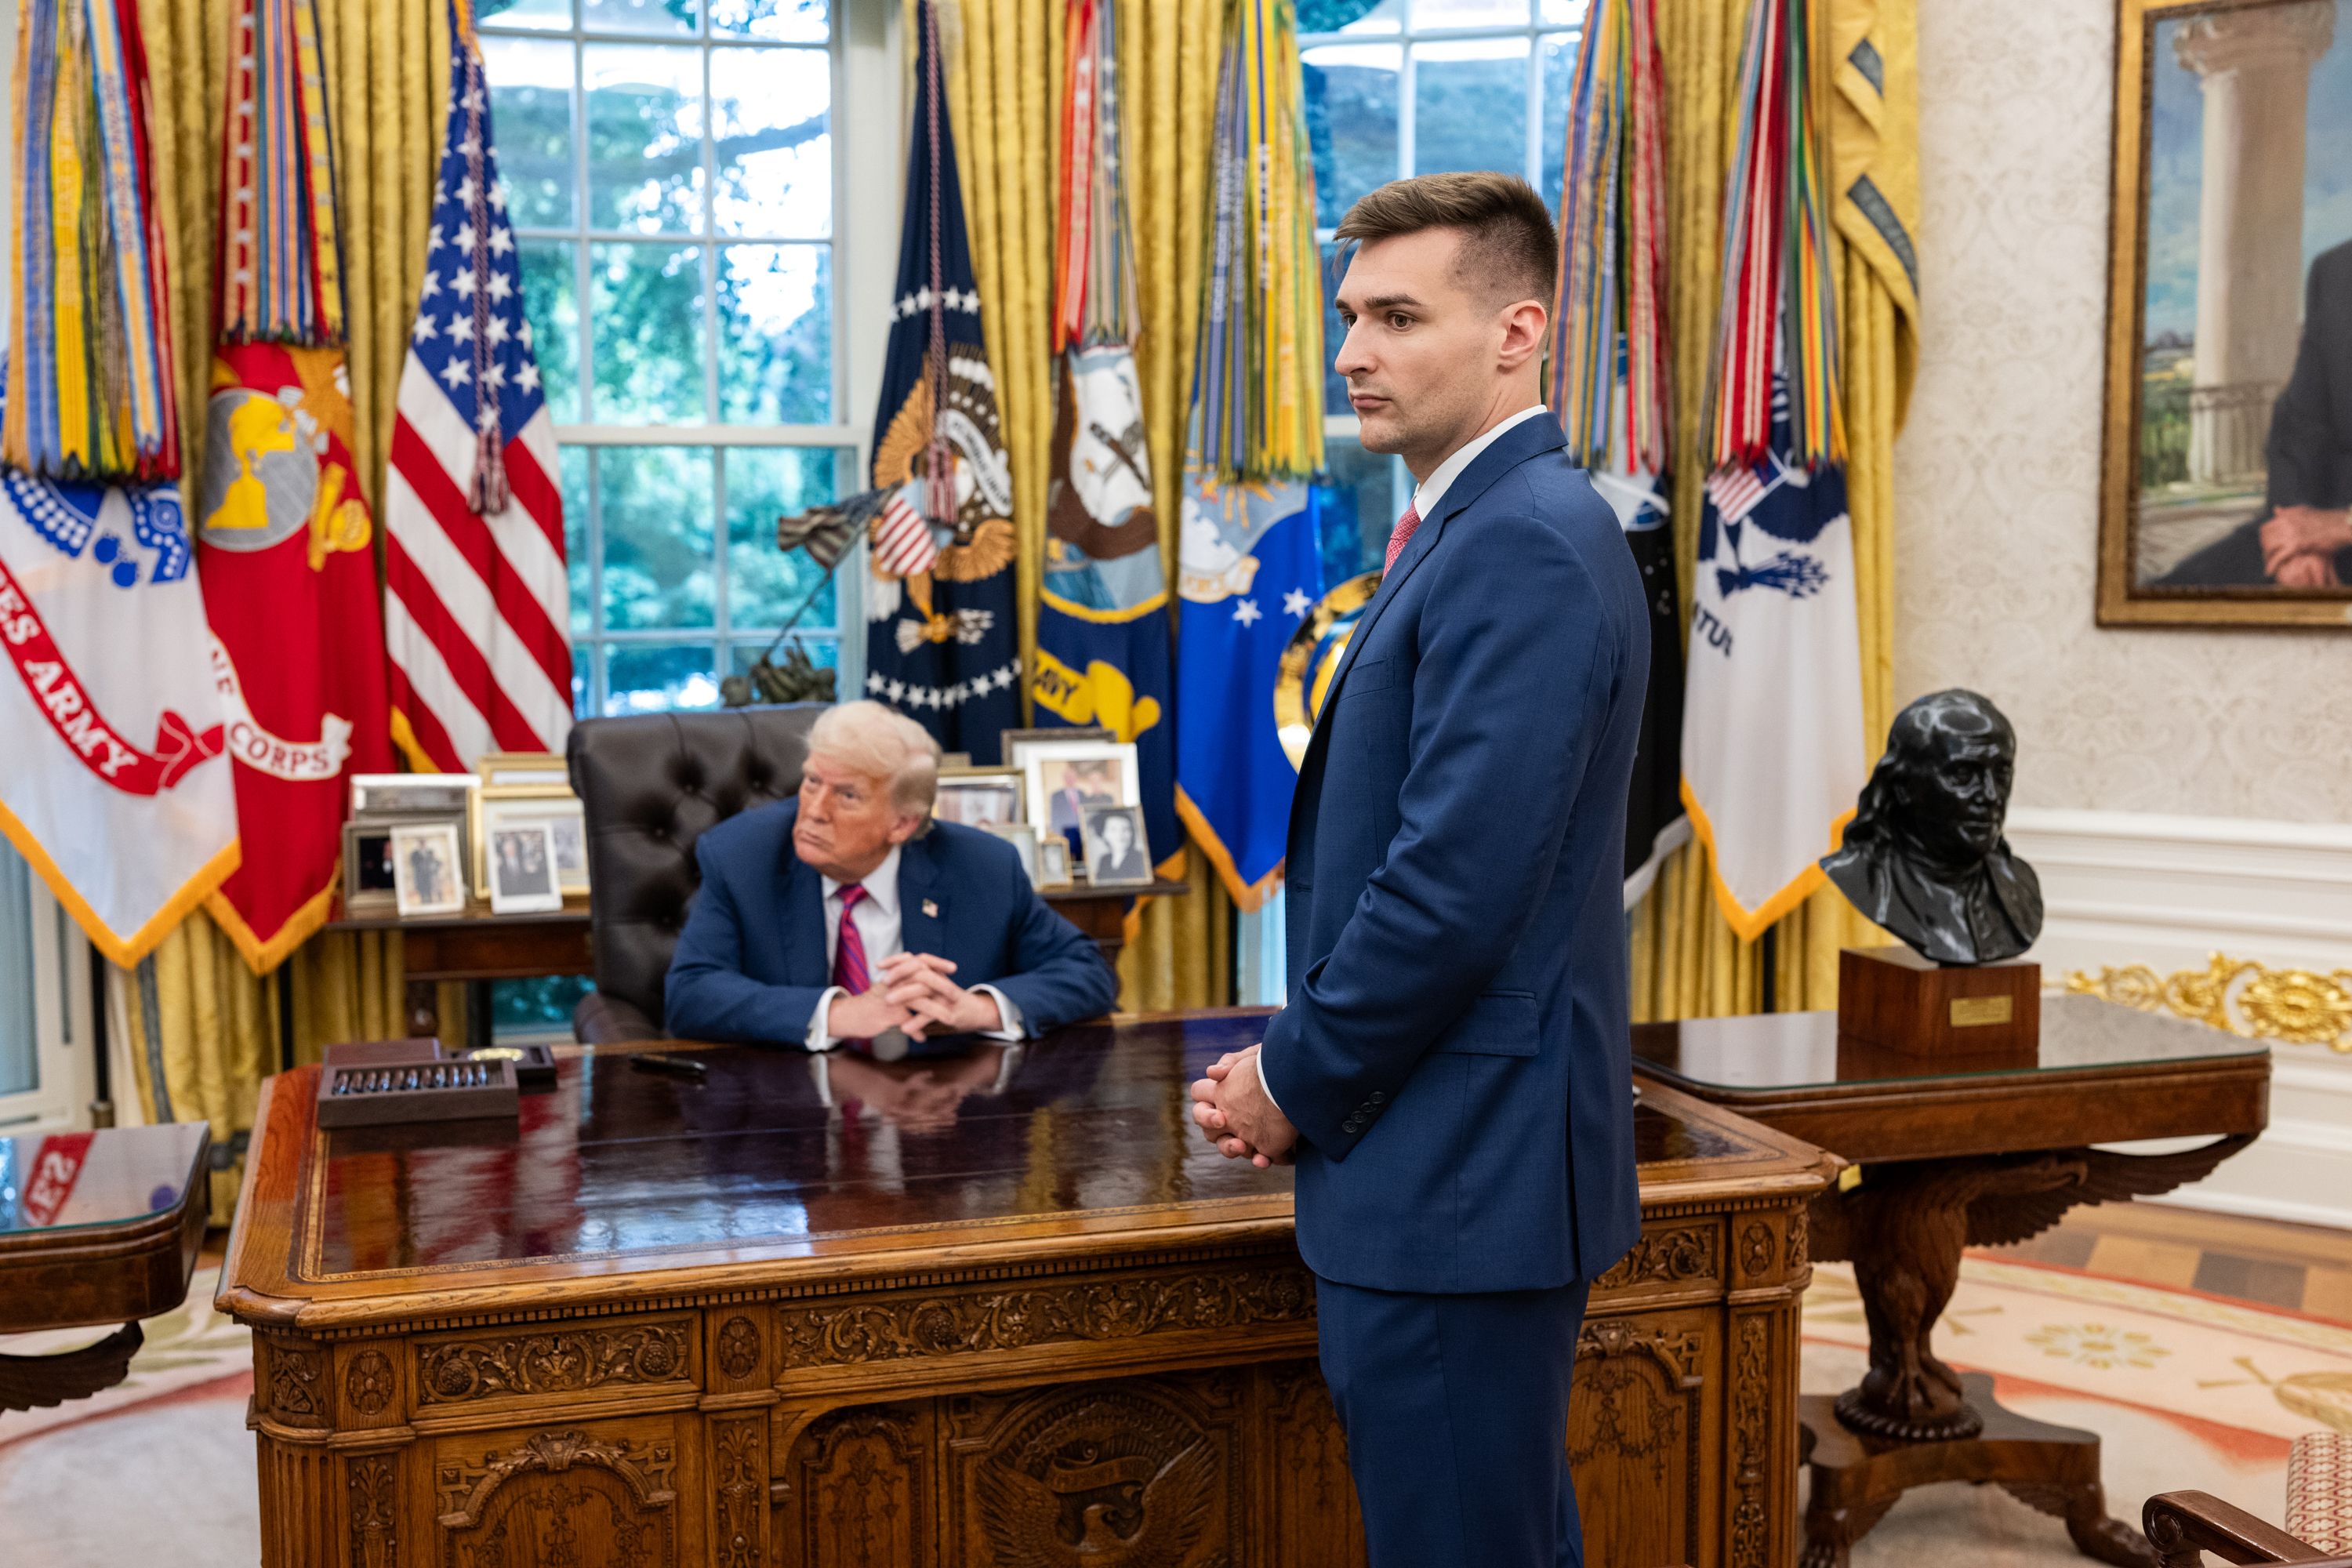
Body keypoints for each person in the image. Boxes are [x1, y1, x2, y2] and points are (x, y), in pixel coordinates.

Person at [1189, 172, 1650, 1567]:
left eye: (1397, 316)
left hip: (1462, 1168)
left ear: (1519, 331)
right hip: (1450, 1160)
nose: (1350, 354)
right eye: (1348, 316)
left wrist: (1291, 1075)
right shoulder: (1472, 524)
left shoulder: (1521, 543)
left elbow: (1450, 893)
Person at [663, 701, 1118, 1058]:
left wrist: (978, 1009)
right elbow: (691, 994)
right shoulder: (743, 856)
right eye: (811, 781)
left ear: (902, 825)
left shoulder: (984, 866)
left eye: (847, 795)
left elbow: (1088, 972)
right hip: (787, 1120)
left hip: (947, 1116)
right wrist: (840, 1014)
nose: (815, 811)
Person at [2157, 239, 2352, 588]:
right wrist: (2297, 541)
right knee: (2168, 596)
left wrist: (2342, 527)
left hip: (2340, 531)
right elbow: (2297, 428)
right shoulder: (2336, 271)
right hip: (2315, 529)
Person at [1819, 689, 2042, 966]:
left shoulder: (2019, 887)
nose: (1990, 795)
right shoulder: (1865, 878)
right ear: (1904, 787)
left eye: (2001, 774)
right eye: (1962, 774)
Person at [1086, 810, 1148, 883]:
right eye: (1113, 830)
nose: (1120, 835)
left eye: (1126, 829)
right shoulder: (1104, 860)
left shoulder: (1140, 858)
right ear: (1103, 834)